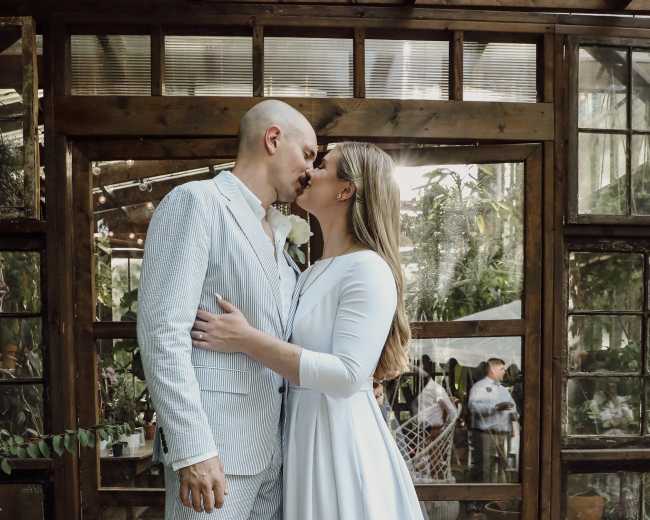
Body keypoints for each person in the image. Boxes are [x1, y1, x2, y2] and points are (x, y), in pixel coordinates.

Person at [191, 142, 424, 520]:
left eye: (321, 166)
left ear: (345, 190)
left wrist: (246, 339)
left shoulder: (368, 268)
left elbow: (349, 374)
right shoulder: (313, 270)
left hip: (340, 441)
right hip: (302, 434)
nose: (308, 172)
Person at [137, 99, 317, 519]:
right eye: (307, 153)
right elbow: (163, 333)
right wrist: (193, 449)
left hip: (276, 453)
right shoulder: (196, 203)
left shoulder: (277, 231)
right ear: (273, 138)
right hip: (216, 454)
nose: (311, 169)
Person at [467, 358, 519, 484]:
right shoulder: (479, 387)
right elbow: (473, 407)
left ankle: (498, 501)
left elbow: (513, 408)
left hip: (503, 435)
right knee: (484, 469)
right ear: (492, 369)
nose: (504, 372)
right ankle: (480, 500)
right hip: (485, 435)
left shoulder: (503, 389)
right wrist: (495, 408)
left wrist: (513, 415)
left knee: (503, 469)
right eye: (502, 369)